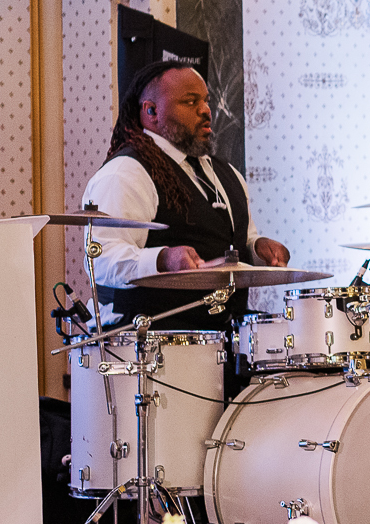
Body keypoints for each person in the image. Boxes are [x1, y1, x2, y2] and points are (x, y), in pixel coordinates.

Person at [79, 60, 290, 330]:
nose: (206, 111)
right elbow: (100, 259)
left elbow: (236, 238)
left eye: (206, 100)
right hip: (152, 349)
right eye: (191, 102)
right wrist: (163, 259)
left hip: (225, 342)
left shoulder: (226, 173)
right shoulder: (126, 172)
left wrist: (258, 247)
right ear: (151, 111)